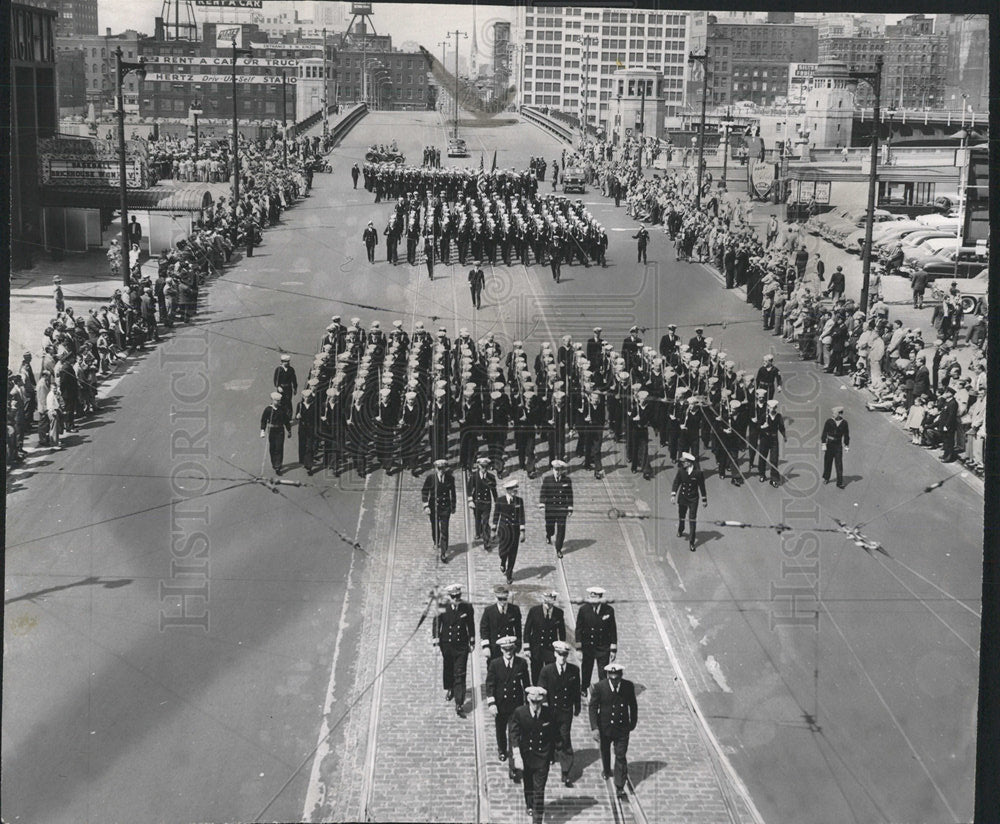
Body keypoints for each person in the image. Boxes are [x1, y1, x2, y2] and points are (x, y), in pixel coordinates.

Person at [589, 662, 638, 801]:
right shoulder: (600, 687)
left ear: (621, 676)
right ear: (608, 676)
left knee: (621, 756)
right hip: (605, 727)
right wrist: (594, 727)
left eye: (617, 678)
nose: (615, 681)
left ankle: (620, 786)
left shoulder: (628, 686)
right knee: (605, 750)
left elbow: (633, 705)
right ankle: (606, 769)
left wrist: (632, 722)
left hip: (622, 728)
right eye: (612, 678)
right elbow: (592, 707)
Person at [508, 686, 557, 822]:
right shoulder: (520, 713)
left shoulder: (549, 713)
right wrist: (516, 755)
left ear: (542, 701)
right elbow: (514, 733)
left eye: (538, 702)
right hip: (526, 756)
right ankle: (529, 805)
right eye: (533, 702)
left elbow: (553, 734)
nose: (535, 705)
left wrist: (552, 754)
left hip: (542, 757)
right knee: (528, 784)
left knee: (539, 790)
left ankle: (537, 819)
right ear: (528, 700)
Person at [538, 640, 581, 787]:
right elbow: (542, 691)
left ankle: (566, 771)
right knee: (549, 735)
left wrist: (577, 706)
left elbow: (576, 690)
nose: (562, 658)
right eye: (559, 655)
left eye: (564, 655)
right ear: (555, 654)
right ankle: (549, 755)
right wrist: (541, 709)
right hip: (551, 711)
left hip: (565, 711)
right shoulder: (547, 671)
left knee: (564, 738)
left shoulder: (574, 671)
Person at [485, 635, 530, 773]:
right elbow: (490, 685)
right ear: (501, 650)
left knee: (514, 734)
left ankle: (513, 765)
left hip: (516, 705)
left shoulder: (521, 663)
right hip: (500, 704)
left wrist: (528, 703)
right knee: (500, 729)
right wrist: (491, 703)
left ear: (514, 649)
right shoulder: (495, 664)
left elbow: (526, 684)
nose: (508, 652)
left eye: (510, 649)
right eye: (505, 650)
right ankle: (501, 749)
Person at [432, 583, 476, 717]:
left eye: (458, 596)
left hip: (461, 645)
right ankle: (450, 688)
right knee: (449, 668)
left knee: (460, 673)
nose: (456, 599)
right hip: (447, 644)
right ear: (449, 597)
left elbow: (471, 624)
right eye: (453, 597)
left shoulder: (467, 607)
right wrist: (436, 639)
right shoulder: (442, 607)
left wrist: (472, 640)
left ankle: (459, 703)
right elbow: (436, 623)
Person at [575, 586, 617, 695]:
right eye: (590, 596)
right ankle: (584, 688)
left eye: (595, 597)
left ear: (600, 597)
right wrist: (578, 649)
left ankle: (602, 690)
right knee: (586, 669)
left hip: (603, 647)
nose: (592, 599)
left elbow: (613, 629)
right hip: (588, 646)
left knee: (603, 672)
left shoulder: (608, 610)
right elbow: (578, 629)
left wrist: (613, 649)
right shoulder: (583, 610)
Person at [523, 589, 566, 685]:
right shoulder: (534, 611)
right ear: (543, 599)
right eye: (548, 599)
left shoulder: (559, 613)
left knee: (551, 673)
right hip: (536, 648)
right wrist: (527, 648)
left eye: (552, 599)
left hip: (550, 648)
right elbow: (527, 630)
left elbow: (562, 632)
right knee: (536, 673)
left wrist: (562, 648)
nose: (550, 602)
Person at [670, 452, 707, 550]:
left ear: (690, 463)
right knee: (681, 516)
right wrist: (673, 494)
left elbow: (702, 486)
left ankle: (692, 541)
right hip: (682, 497)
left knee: (692, 519)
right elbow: (676, 482)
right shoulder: (681, 471)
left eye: (684, 462)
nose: (682, 464)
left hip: (693, 499)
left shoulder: (698, 473)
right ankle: (681, 529)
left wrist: (704, 499)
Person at [422, 458, 457, 562]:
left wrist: (453, 506)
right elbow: (424, 491)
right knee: (435, 526)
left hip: (446, 507)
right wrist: (426, 506)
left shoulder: (450, 478)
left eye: (443, 468)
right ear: (436, 468)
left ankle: (443, 552)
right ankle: (436, 541)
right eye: (439, 468)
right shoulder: (430, 478)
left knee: (445, 530)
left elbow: (453, 493)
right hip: (434, 507)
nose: (441, 470)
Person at [493, 478, 526, 584]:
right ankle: (503, 562)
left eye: (516, 488)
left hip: (514, 531)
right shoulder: (500, 500)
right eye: (513, 489)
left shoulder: (519, 501)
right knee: (502, 551)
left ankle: (509, 574)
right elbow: (496, 515)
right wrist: (493, 529)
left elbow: (521, 516)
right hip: (503, 530)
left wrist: (522, 531)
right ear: (508, 490)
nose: (515, 490)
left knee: (513, 553)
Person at [539, 458, 573, 559]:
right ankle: (549, 534)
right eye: (556, 469)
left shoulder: (567, 480)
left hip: (562, 508)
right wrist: (542, 504)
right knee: (550, 526)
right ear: (552, 469)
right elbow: (543, 492)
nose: (557, 472)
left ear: (562, 470)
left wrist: (570, 508)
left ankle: (558, 549)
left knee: (561, 529)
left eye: (559, 470)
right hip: (550, 508)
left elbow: (570, 495)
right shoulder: (547, 479)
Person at [480, 584, 523, 661]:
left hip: (509, 646)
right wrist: (485, 647)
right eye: (500, 599)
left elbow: (518, 628)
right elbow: (484, 629)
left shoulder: (514, 609)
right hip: (494, 647)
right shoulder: (489, 611)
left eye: (505, 599)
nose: (503, 601)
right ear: (496, 598)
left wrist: (518, 644)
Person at [467, 456, 498, 549]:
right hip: (476, 502)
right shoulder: (473, 476)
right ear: (478, 466)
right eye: (482, 467)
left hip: (486, 503)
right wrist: (470, 501)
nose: (484, 469)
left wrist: (497, 502)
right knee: (477, 519)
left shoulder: (491, 477)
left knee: (485, 522)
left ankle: (486, 542)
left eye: (486, 467)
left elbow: (494, 491)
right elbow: (469, 489)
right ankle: (478, 532)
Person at [260, 391, 292, 475]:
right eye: (276, 400)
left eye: (279, 400)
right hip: (272, 431)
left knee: (279, 447)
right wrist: (262, 430)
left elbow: (286, 421)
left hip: (280, 431)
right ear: (272, 400)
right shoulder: (268, 410)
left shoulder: (282, 409)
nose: (278, 402)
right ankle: (274, 463)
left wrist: (289, 430)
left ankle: (278, 465)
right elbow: (263, 421)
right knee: (272, 448)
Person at [757, 398, 786, 486]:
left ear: (776, 407)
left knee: (774, 459)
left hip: (774, 440)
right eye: (770, 407)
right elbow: (757, 427)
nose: (772, 409)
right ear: (768, 407)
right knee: (762, 457)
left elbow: (781, 427)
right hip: (764, 439)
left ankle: (774, 479)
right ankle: (762, 474)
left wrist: (784, 435)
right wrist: (762, 426)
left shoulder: (779, 416)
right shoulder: (763, 416)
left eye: (774, 408)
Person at [821, 406, 850, 488]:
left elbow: (846, 435)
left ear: (839, 414)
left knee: (839, 464)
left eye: (834, 413)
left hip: (838, 445)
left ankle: (839, 482)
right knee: (827, 462)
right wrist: (823, 443)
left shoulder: (844, 423)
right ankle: (826, 477)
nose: (833, 414)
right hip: (829, 444)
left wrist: (846, 445)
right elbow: (824, 433)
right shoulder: (829, 421)